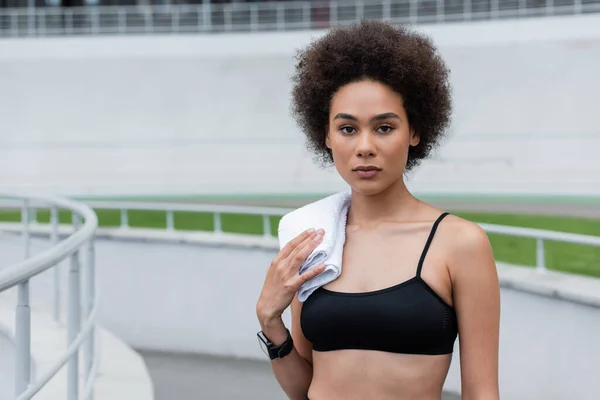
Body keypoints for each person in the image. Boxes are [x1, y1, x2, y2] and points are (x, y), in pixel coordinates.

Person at [255, 19, 500, 400]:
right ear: (326, 136)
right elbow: (302, 389)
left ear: (415, 132)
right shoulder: (315, 239)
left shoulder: (460, 244)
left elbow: (482, 392)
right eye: (348, 129)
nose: (365, 146)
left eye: (384, 128)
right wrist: (271, 322)